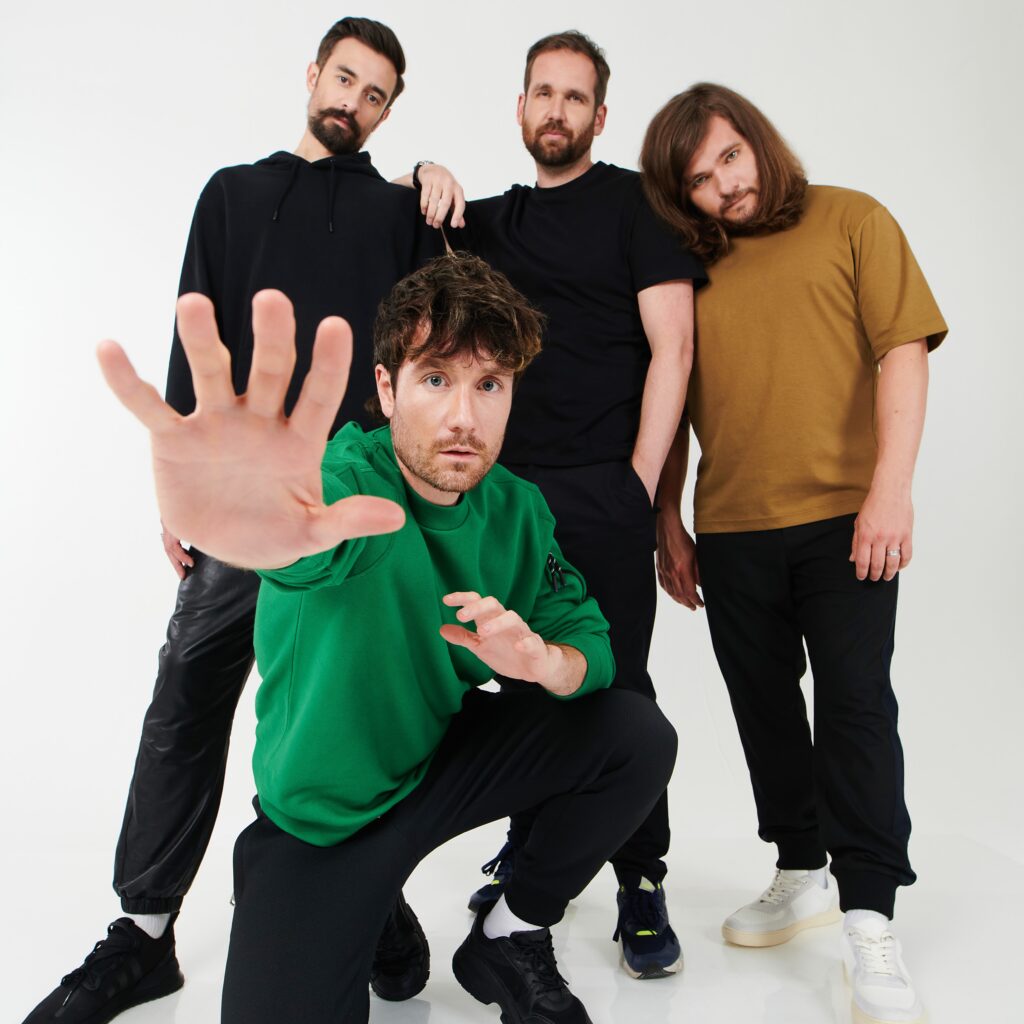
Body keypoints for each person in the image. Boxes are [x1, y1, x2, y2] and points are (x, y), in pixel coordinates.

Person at [94, 254, 678, 1023]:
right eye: (436, 378)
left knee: (634, 733)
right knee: (373, 986)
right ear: (387, 388)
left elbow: (588, 638)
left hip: (438, 759)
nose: (464, 416)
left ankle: (509, 932)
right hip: (325, 817)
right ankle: (373, 914)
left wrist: (547, 662)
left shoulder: (517, 509)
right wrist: (259, 531)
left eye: (489, 384)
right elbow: (310, 543)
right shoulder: (346, 484)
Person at [20, 16, 463, 1024]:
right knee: (187, 691)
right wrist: (173, 488)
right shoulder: (230, 192)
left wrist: (439, 191)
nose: (353, 101)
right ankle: (142, 933)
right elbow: (195, 340)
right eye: (344, 77)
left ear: (389, 112)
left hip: (343, 502)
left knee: (339, 718)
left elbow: (443, 337)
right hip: (234, 496)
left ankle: (369, 898)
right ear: (312, 74)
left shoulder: (402, 210)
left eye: (376, 94)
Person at [641, 83, 947, 1024]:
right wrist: (668, 519)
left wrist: (891, 490)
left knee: (855, 708)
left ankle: (869, 914)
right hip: (733, 527)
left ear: (758, 141)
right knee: (764, 709)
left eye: (730, 158)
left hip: (846, 520)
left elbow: (904, 352)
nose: (724, 187)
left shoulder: (854, 219)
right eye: (699, 180)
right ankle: (801, 868)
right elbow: (671, 385)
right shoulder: (691, 266)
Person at [447, 30, 705, 980]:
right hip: (507, 498)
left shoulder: (639, 206)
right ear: (520, 108)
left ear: (600, 117)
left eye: (574, 97)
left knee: (618, 687)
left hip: (602, 490)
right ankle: (533, 866)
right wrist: (426, 175)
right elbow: (404, 218)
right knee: (525, 682)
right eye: (542, 93)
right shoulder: (490, 221)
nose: (556, 110)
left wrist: (639, 483)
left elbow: (674, 349)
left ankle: (642, 879)